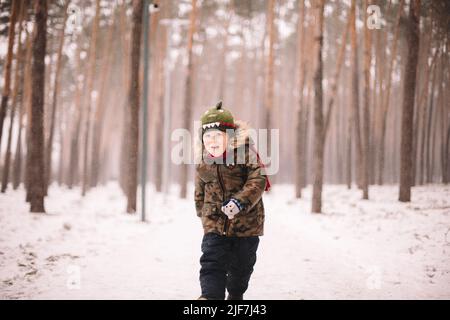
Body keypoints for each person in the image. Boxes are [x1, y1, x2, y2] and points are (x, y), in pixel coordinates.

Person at [194, 101, 270, 300]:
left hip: (246, 224)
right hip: (215, 224)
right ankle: (210, 297)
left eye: (217, 135)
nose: (212, 141)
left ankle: (235, 294)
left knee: (242, 267)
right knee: (211, 262)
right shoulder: (204, 161)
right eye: (207, 136)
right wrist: (203, 211)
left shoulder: (246, 154)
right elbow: (200, 188)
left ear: (230, 136)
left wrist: (240, 202)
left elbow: (258, 179)